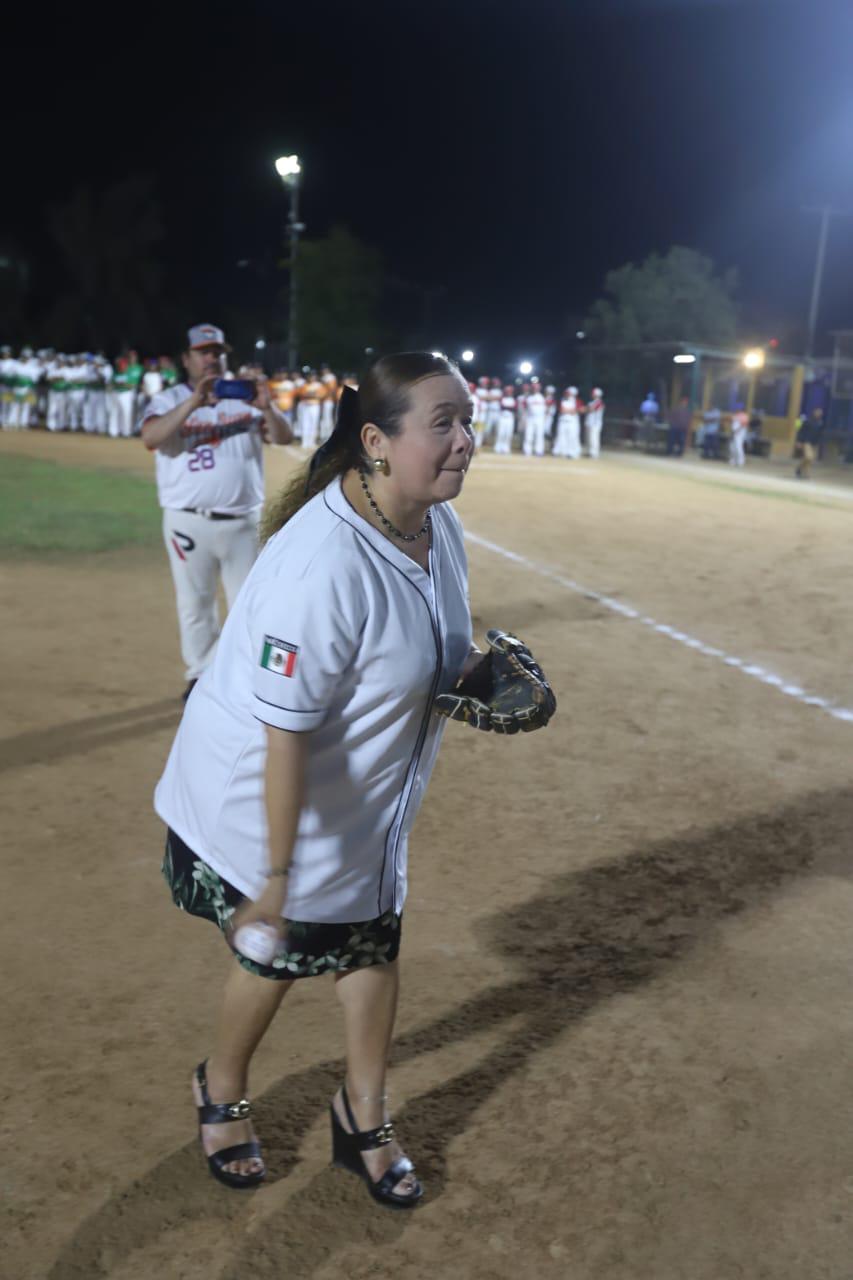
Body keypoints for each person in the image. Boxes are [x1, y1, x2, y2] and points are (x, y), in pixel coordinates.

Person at [154, 352, 486, 1206]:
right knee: (278, 952)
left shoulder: (433, 524)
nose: (464, 441)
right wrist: (273, 875)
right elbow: (283, 735)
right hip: (274, 799)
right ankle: (219, 1089)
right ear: (376, 441)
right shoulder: (321, 566)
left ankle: (361, 1113)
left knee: (374, 940)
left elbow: (432, 650)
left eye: (467, 420)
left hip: (362, 803)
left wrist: (478, 673)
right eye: (441, 423)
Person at [140, 323, 293, 701]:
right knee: (195, 604)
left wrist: (266, 406)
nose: (212, 358)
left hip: (244, 520)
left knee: (253, 604)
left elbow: (284, 437)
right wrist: (194, 403)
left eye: (218, 351)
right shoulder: (170, 399)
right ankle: (201, 675)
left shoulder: (244, 397)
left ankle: (248, 678)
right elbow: (151, 437)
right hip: (188, 521)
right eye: (204, 351)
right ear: (187, 359)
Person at [794, 406, 824, 480]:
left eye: (820, 412)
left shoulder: (820, 423)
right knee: (808, 457)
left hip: (814, 443)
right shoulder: (807, 421)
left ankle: (801, 470)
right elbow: (801, 431)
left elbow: (820, 434)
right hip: (806, 442)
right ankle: (802, 470)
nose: (819, 413)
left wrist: (819, 443)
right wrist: (799, 441)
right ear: (814, 412)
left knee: (810, 460)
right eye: (817, 412)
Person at [552, 386, 582, 459]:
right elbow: (562, 410)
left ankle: (571, 452)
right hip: (563, 421)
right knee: (561, 436)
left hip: (572, 422)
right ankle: (560, 451)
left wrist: (569, 410)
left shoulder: (577, 401)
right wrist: (571, 410)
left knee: (572, 437)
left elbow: (579, 410)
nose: (567, 394)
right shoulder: (562, 400)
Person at [494, 384, 516, 453]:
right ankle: (498, 447)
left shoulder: (513, 399)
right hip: (502, 418)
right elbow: (502, 407)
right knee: (500, 433)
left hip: (510, 418)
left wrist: (507, 407)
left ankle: (506, 448)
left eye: (510, 391)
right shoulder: (502, 398)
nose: (508, 392)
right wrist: (509, 408)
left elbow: (514, 408)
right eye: (507, 391)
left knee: (508, 434)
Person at [584, 387, 605, 458]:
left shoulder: (599, 402)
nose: (592, 395)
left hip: (595, 423)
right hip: (589, 422)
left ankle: (594, 453)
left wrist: (584, 409)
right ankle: (589, 451)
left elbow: (591, 409)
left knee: (594, 438)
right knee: (588, 438)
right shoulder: (591, 402)